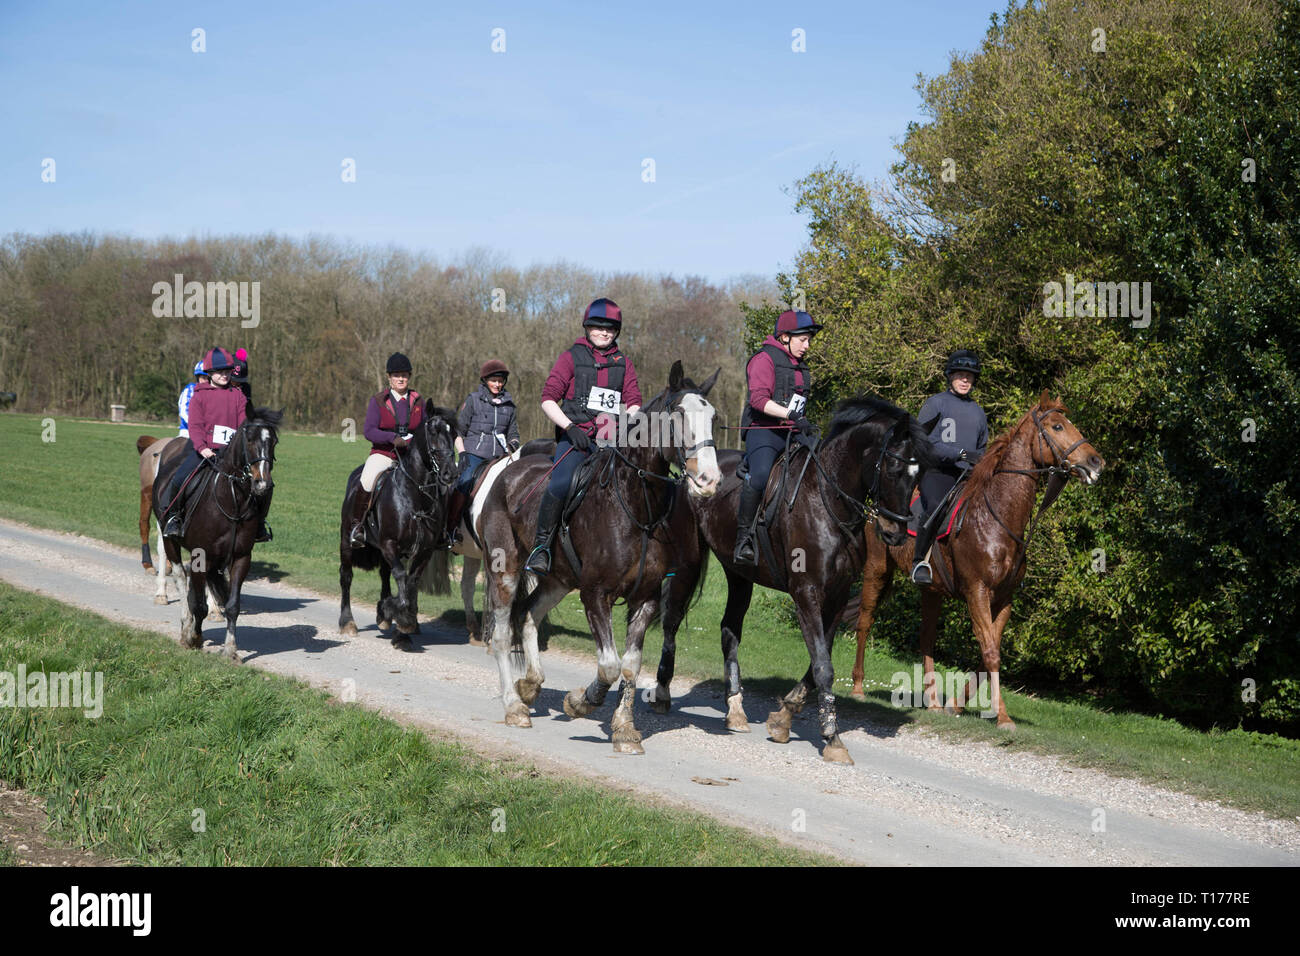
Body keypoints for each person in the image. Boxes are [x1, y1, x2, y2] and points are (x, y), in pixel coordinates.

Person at [524, 297, 642, 575]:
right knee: (561, 484)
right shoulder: (570, 357)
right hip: (575, 437)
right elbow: (548, 398)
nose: (604, 332)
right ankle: (542, 547)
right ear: (587, 328)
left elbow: (634, 400)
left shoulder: (623, 363)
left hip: (611, 439)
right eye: (598, 327)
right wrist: (569, 427)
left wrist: (625, 424)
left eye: (610, 329)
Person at [733, 309, 822, 565]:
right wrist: (792, 414)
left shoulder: (800, 365)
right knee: (760, 476)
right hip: (764, 431)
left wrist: (800, 421)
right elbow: (759, 400)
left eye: (809, 340)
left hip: (792, 433)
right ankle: (743, 540)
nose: (807, 345)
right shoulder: (763, 359)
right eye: (803, 339)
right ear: (784, 337)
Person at [911, 349, 988, 585]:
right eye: (960, 375)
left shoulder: (978, 412)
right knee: (935, 505)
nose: (965, 380)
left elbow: (982, 448)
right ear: (950, 376)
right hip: (937, 472)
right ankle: (919, 561)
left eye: (970, 376)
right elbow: (923, 443)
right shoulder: (936, 404)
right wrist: (960, 454)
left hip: (967, 476)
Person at [159, 348, 247, 538]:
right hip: (205, 451)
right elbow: (195, 426)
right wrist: (203, 448)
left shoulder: (238, 396)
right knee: (180, 477)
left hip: (231, 453)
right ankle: (173, 517)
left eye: (227, 371)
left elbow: (242, 425)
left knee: (258, 483)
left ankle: (258, 524)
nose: (224, 375)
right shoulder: (199, 395)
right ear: (209, 374)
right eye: (220, 372)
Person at [349, 352, 423, 547]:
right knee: (367, 479)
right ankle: (358, 527)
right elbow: (369, 431)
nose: (401, 378)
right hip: (384, 454)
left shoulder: (417, 401)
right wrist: (392, 438)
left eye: (405, 375)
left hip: (410, 457)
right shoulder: (379, 400)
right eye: (397, 375)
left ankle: (435, 529)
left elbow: (424, 430)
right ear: (389, 377)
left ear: (409, 377)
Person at [448, 359, 519, 544]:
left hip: (500, 457)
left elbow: (513, 434)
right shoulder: (472, 401)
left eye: (500, 381)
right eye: (493, 380)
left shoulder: (510, 406)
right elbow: (458, 431)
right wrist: (462, 453)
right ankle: (451, 527)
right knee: (464, 480)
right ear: (485, 381)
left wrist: (512, 444)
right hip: (474, 454)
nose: (497, 384)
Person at [178, 358, 207, 437]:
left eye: (209, 378)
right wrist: (198, 426)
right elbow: (184, 412)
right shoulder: (190, 389)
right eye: (203, 378)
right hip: (188, 431)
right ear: (198, 378)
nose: (206, 381)